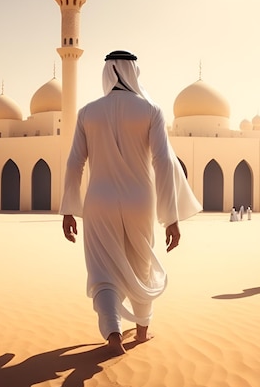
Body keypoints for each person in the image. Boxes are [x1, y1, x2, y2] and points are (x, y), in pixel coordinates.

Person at [60, 50, 201, 355]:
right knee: (142, 262)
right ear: (133, 71)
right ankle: (141, 331)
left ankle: (112, 332)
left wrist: (69, 209)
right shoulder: (151, 110)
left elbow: (74, 163)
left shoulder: (87, 112)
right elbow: (164, 163)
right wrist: (170, 217)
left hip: (99, 200)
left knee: (102, 270)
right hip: (140, 200)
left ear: (108, 73)